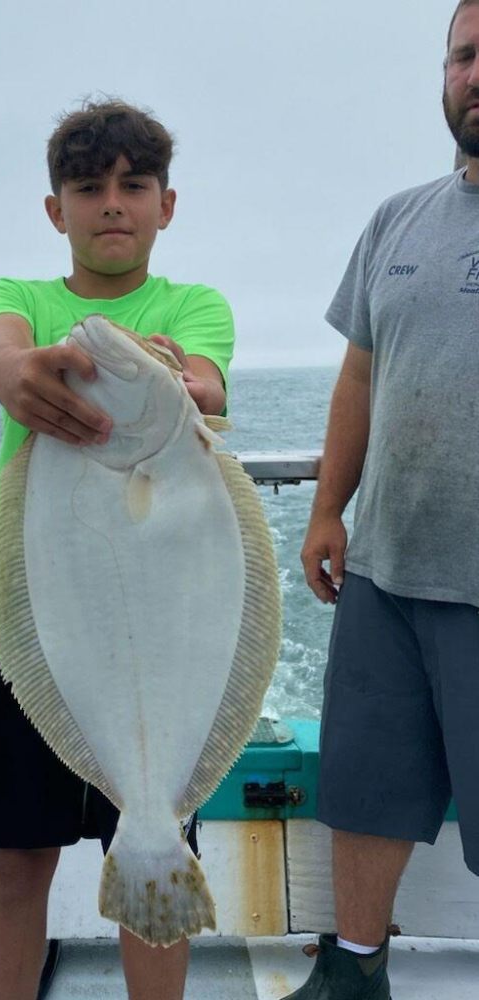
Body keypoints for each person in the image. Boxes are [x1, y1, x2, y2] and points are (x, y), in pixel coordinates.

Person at [0, 99, 234, 1000]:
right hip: (24, 629)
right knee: (13, 861)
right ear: (56, 210)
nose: (113, 204)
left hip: (163, 651)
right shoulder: (17, 302)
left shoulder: (195, 305)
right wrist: (15, 374)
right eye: (88, 188)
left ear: (166, 205)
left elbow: (206, 382)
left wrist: (181, 380)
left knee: (152, 841)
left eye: (134, 186)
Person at [289, 3, 479, 997]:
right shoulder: (395, 219)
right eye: (465, 54)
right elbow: (360, 378)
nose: (476, 72)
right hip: (385, 576)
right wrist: (329, 509)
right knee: (364, 792)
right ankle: (353, 973)